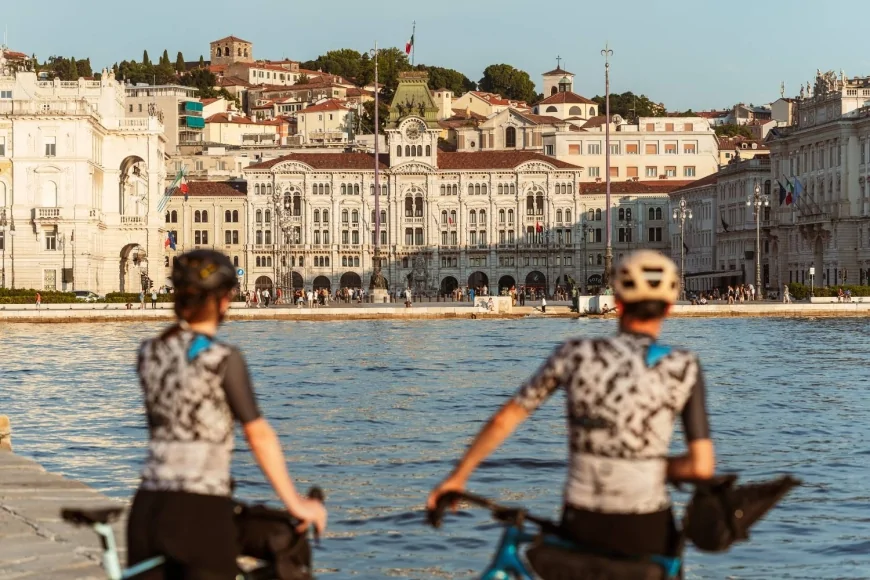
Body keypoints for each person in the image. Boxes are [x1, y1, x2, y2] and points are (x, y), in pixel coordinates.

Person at [428, 250, 714, 564]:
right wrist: (644, 464)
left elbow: (505, 419)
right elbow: (701, 466)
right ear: (669, 308)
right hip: (649, 527)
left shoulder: (575, 353)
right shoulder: (683, 365)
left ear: (617, 302)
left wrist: (458, 476)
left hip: (583, 520)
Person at [128, 250, 326, 579]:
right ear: (224, 300)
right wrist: (295, 502)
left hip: (146, 509)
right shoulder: (221, 357)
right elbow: (257, 434)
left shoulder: (148, 351)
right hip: (199, 510)